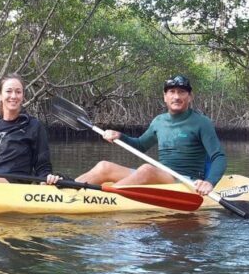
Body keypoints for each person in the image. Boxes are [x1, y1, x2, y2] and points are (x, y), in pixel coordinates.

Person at [75, 75, 226, 195]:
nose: (177, 97)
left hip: (184, 181)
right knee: (104, 167)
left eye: (182, 92)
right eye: (172, 92)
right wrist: (119, 136)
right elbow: (140, 145)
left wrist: (209, 182)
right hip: (159, 176)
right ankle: (63, 190)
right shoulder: (159, 121)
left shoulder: (201, 122)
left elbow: (218, 156)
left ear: (190, 96)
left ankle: (104, 198)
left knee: (147, 169)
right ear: (165, 96)